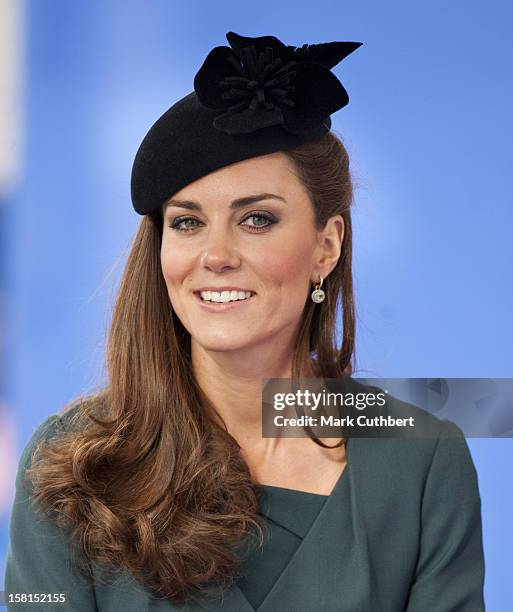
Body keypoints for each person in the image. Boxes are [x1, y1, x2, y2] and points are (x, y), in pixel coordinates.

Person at [4, 31, 485, 611]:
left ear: (326, 246)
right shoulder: (71, 461)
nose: (216, 255)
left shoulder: (424, 459)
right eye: (186, 223)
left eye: (256, 219)